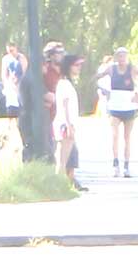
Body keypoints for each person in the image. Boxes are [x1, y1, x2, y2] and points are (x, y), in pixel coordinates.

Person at [95, 46, 138, 177]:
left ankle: (127, 166)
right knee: (115, 135)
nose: (122, 59)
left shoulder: (132, 69)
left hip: (129, 106)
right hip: (115, 106)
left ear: (127, 57)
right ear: (116, 57)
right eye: (119, 56)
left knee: (127, 137)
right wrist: (104, 91)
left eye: (124, 56)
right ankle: (115, 165)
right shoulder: (111, 69)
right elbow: (96, 78)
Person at [52, 54, 88, 191]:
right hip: (65, 124)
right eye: (76, 65)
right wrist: (68, 125)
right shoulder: (64, 83)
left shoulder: (65, 83)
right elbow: (65, 105)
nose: (79, 68)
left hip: (67, 123)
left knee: (64, 158)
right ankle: (58, 186)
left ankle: (61, 185)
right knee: (62, 159)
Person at [1, 42, 28, 118]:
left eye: (12, 50)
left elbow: (24, 72)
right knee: (11, 108)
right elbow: (4, 74)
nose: (10, 52)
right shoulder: (5, 59)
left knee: (21, 106)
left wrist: (18, 82)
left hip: (20, 85)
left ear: (16, 48)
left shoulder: (21, 58)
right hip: (10, 86)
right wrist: (7, 84)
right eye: (9, 51)